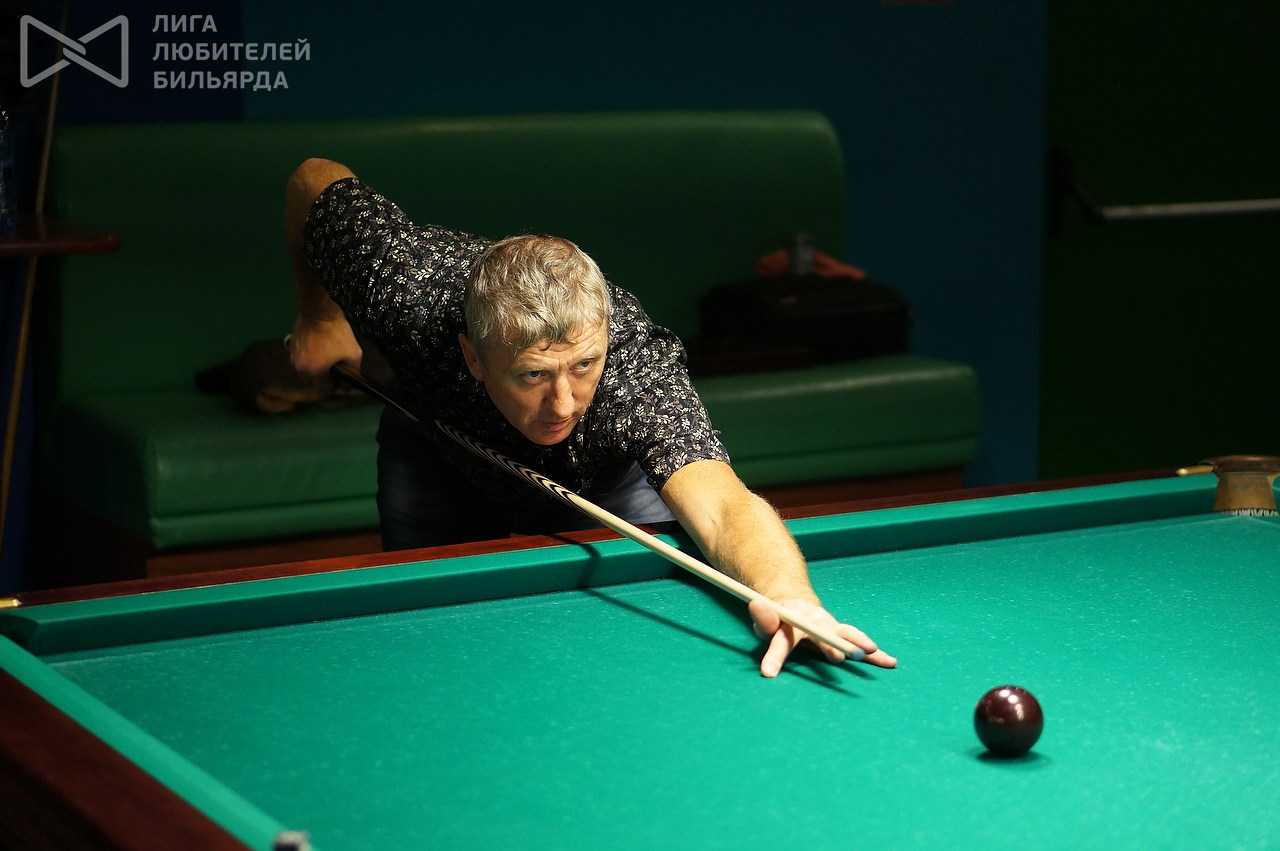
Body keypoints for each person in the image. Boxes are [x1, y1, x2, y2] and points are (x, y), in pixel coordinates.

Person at [285, 158, 896, 676]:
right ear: (472, 355)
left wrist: (790, 596)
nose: (563, 404)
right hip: (441, 450)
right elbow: (313, 179)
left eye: (583, 365)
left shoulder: (634, 370)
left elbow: (721, 504)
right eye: (533, 374)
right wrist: (321, 317)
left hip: (603, 476)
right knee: (427, 631)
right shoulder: (403, 288)